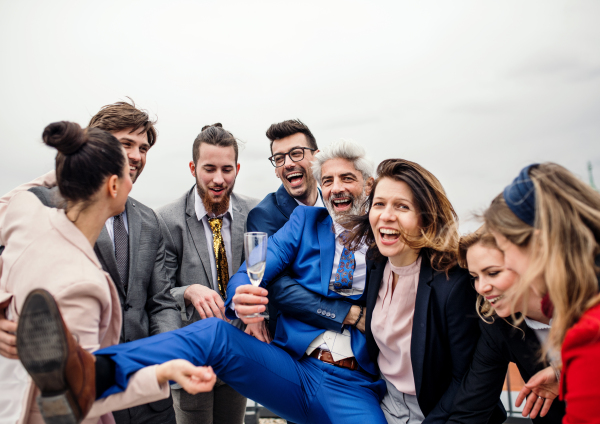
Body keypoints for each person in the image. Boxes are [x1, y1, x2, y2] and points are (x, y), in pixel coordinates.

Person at [0, 122, 215, 424]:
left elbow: (160, 300)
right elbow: (85, 394)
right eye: (124, 157)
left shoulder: (23, 210)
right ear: (113, 185)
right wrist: (160, 373)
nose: (135, 162)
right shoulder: (83, 285)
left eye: (143, 149)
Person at [252, 158, 481, 423]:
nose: (386, 215)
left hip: (435, 410)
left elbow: (466, 379)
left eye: (402, 206)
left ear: (425, 216)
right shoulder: (377, 264)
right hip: (385, 402)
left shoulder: (452, 282)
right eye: (380, 204)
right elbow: (271, 275)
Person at [157, 123, 259, 424]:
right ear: (193, 168)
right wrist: (189, 290)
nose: (218, 179)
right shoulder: (166, 219)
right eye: (209, 168)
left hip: (239, 351)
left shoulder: (255, 213)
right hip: (191, 355)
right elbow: (160, 293)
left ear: (237, 168)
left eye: (227, 169)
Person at [482, 163, 600, 423]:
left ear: (538, 244)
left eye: (505, 249)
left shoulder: (589, 334)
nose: (508, 264)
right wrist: (564, 373)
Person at [447, 228, 565, 423]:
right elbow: (471, 409)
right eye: (475, 276)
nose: (481, 287)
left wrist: (564, 373)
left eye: (493, 273)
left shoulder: (588, 300)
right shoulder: (498, 328)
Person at [245, 119, 323, 341]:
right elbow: (279, 287)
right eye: (279, 158)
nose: (288, 163)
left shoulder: (335, 200)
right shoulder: (263, 216)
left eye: (296, 153)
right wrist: (349, 315)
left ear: (316, 158)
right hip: (297, 340)